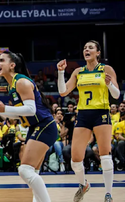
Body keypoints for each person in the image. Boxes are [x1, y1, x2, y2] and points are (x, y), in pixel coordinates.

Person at [0, 51, 57, 202]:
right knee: (33, 172)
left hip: (44, 125)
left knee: (24, 170)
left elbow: (31, 110)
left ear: (12, 65)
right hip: (36, 126)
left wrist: (4, 109)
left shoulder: (21, 82)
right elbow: (20, 115)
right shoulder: (12, 85)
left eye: (1, 60)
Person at [57, 40, 119, 202]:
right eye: (84, 47)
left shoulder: (106, 69)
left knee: (105, 155)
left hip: (101, 113)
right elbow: (63, 92)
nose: (87, 50)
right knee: (75, 159)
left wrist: (110, 84)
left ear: (98, 53)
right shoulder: (78, 71)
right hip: (83, 114)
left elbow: (117, 95)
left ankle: (108, 194)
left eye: (90, 47)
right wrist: (61, 73)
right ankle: (83, 184)